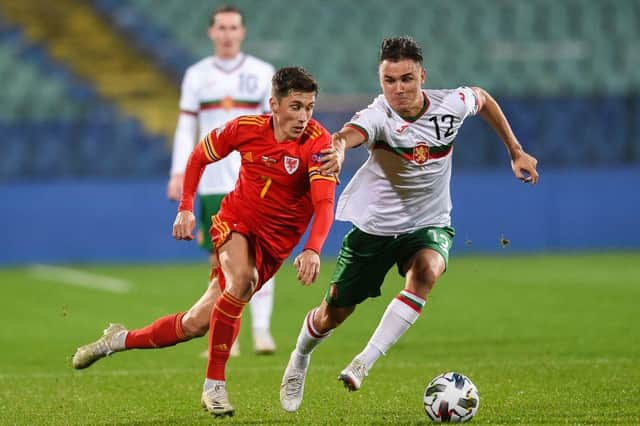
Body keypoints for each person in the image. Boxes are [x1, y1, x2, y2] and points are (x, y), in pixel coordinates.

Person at [279, 36, 539, 413]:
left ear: (422, 76)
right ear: (380, 80)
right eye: (389, 80)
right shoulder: (379, 115)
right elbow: (347, 136)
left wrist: (515, 151)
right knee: (333, 313)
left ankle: (362, 363)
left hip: (429, 222)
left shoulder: (451, 104)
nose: (398, 89)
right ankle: (299, 358)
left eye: (407, 79)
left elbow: (482, 97)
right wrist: (336, 149)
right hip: (375, 229)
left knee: (428, 271)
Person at [73, 66, 338, 418]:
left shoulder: (319, 145)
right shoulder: (246, 129)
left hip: (275, 246)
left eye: (309, 107)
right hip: (235, 222)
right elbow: (200, 156)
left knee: (196, 324)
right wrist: (185, 208)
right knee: (243, 280)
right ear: (274, 104)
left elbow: (324, 204)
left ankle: (117, 340)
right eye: (295, 106)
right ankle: (214, 387)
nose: (303, 116)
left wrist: (313, 248)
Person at [167, 4, 277, 356]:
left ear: (242, 32)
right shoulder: (197, 75)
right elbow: (187, 127)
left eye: (233, 28)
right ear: (211, 32)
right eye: (222, 28)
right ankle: (228, 337)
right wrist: (179, 172)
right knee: (221, 262)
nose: (228, 34)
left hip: (253, 180)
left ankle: (262, 331)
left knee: (258, 258)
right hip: (214, 182)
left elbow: (274, 130)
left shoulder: (262, 73)